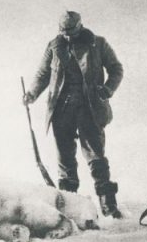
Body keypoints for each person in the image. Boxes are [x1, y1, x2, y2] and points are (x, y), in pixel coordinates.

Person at [22, 11, 124, 218]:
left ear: (80, 26)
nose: (67, 35)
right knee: (65, 156)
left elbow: (116, 68)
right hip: (61, 109)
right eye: (63, 31)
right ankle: (69, 203)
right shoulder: (53, 46)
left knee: (95, 154)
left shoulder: (98, 43)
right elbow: (43, 74)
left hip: (90, 108)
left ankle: (107, 204)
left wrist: (108, 89)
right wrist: (32, 93)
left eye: (71, 31)